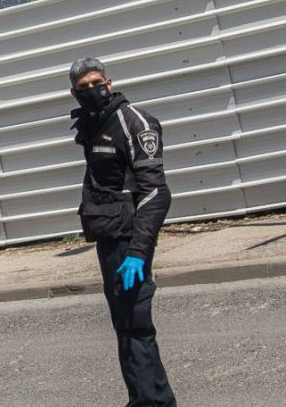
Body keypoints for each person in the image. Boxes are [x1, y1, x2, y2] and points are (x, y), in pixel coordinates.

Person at [69, 57, 176, 407]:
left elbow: (156, 193)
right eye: (83, 87)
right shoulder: (92, 122)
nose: (91, 90)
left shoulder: (135, 122)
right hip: (108, 237)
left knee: (137, 326)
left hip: (131, 240)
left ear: (109, 83)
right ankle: (142, 400)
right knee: (125, 329)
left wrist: (137, 253)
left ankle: (156, 403)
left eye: (96, 83)